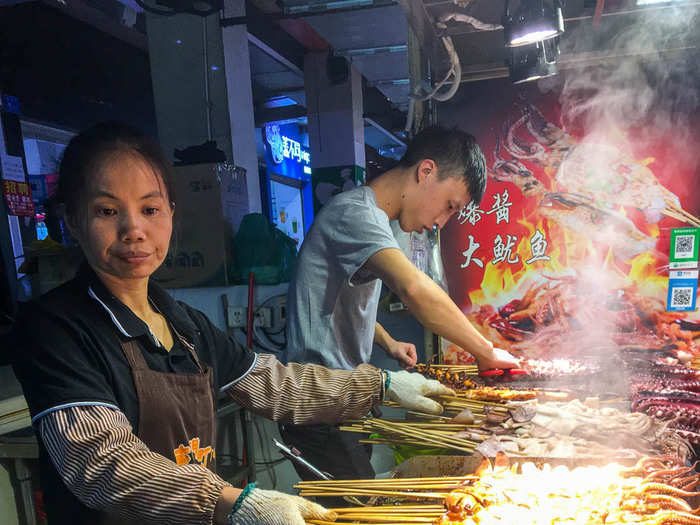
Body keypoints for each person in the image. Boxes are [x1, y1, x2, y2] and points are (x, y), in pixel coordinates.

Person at [9, 122, 456, 525]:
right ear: (70, 218)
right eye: (107, 211)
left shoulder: (184, 324)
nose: (133, 230)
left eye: (150, 209)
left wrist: (378, 386)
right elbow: (100, 462)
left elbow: (275, 384)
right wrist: (231, 502)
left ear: (170, 212)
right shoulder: (56, 328)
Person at [281, 126, 520, 483]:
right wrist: (485, 351)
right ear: (426, 172)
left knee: (363, 504)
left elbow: (335, 303)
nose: (441, 222)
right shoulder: (354, 214)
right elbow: (415, 290)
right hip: (318, 404)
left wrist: (387, 342)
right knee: (361, 513)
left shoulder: (378, 220)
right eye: (449, 206)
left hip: (345, 397)